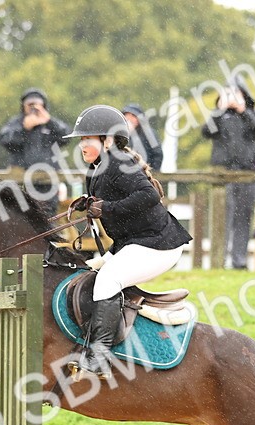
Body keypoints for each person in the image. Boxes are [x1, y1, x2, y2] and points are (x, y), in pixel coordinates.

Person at [63, 105, 192, 378]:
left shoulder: (119, 162)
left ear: (107, 140)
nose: (82, 146)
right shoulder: (96, 170)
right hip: (133, 243)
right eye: (81, 140)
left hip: (158, 245)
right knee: (88, 269)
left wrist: (106, 208)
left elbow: (149, 196)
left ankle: (100, 357)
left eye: (87, 139)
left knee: (108, 279)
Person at [201, 80, 255, 270]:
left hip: (248, 174)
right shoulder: (219, 117)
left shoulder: (254, 114)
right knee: (222, 218)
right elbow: (206, 132)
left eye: (235, 94)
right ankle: (218, 261)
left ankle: (239, 262)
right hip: (223, 175)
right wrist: (219, 111)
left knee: (243, 219)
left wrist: (243, 110)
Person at [0, 88, 71, 217]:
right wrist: (24, 129)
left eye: (37, 105)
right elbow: (4, 140)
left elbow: (66, 136)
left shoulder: (50, 123)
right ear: (23, 106)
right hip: (21, 180)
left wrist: (49, 121)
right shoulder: (16, 123)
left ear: (44, 106)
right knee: (22, 216)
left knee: (48, 217)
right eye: (30, 105)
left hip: (47, 180)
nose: (33, 108)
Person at [121, 103, 164, 171]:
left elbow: (157, 154)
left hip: (145, 174)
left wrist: (151, 173)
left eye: (133, 116)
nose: (129, 119)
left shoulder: (149, 133)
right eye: (127, 115)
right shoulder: (120, 133)